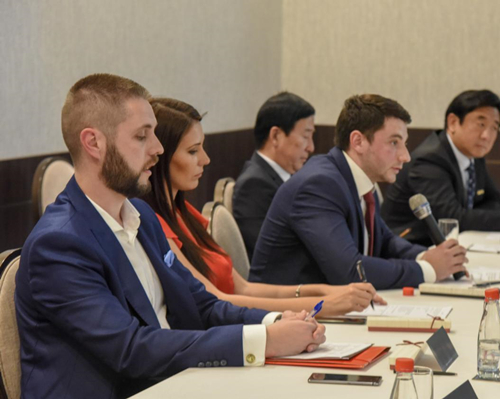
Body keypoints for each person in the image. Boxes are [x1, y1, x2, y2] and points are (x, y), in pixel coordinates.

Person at [15, 73, 325, 399]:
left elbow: (200, 304)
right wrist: (267, 342)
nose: (158, 149)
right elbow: (131, 349)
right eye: (141, 136)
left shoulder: (142, 216)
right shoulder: (59, 245)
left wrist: (274, 321)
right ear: (93, 143)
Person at [144, 97, 384, 316]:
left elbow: (244, 287)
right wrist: (323, 305)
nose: (206, 159)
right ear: (159, 155)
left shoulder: (186, 214)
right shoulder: (154, 223)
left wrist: (326, 292)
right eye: (193, 151)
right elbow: (215, 300)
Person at [250, 94, 468, 290]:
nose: (405, 156)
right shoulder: (319, 185)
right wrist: (427, 270)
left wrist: (427, 256)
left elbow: (385, 241)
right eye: (394, 142)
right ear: (358, 141)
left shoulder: (355, 179)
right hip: (288, 316)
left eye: (405, 144)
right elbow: (350, 271)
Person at [381, 90, 500, 246]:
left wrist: (469, 216)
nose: (487, 135)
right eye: (481, 124)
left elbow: (496, 204)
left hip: (447, 247)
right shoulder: (429, 160)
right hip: (407, 249)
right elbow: (451, 218)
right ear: (453, 123)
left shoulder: (473, 157)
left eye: (494, 127)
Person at [233, 92, 315, 259]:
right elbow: (273, 256)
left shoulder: (290, 179)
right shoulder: (253, 186)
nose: (311, 147)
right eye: (306, 136)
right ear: (276, 136)